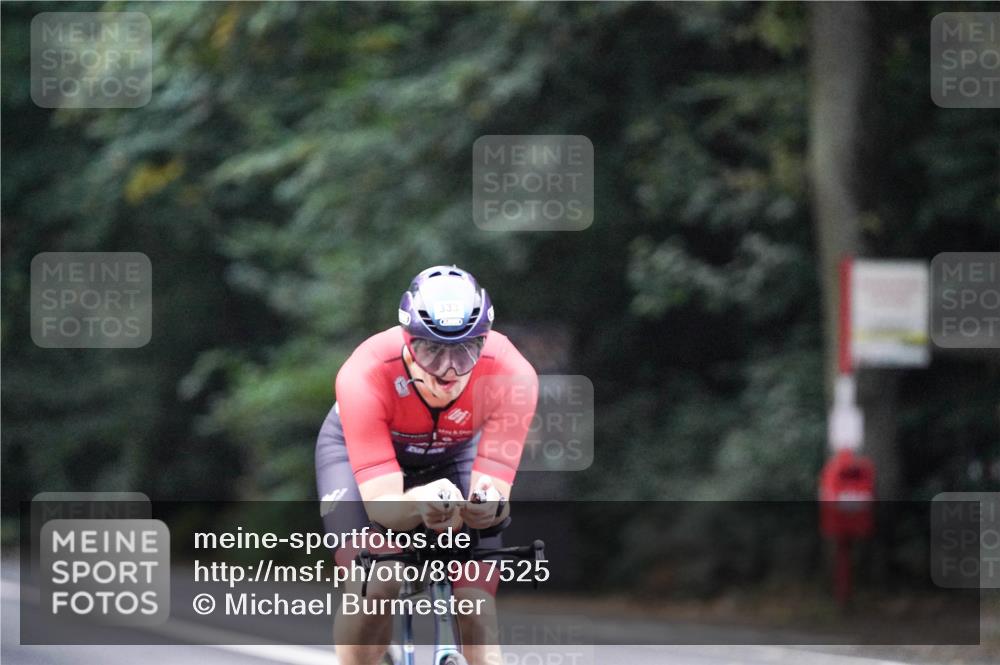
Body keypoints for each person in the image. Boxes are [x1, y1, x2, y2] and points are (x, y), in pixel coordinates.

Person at [315, 265, 539, 665]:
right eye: (431, 350)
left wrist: (486, 505)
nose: (449, 370)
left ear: (484, 342)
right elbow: (382, 507)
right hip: (360, 461)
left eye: (466, 351)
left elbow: (495, 503)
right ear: (407, 341)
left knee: (476, 608)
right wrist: (421, 502)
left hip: (455, 454)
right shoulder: (364, 373)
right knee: (376, 584)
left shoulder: (512, 374)